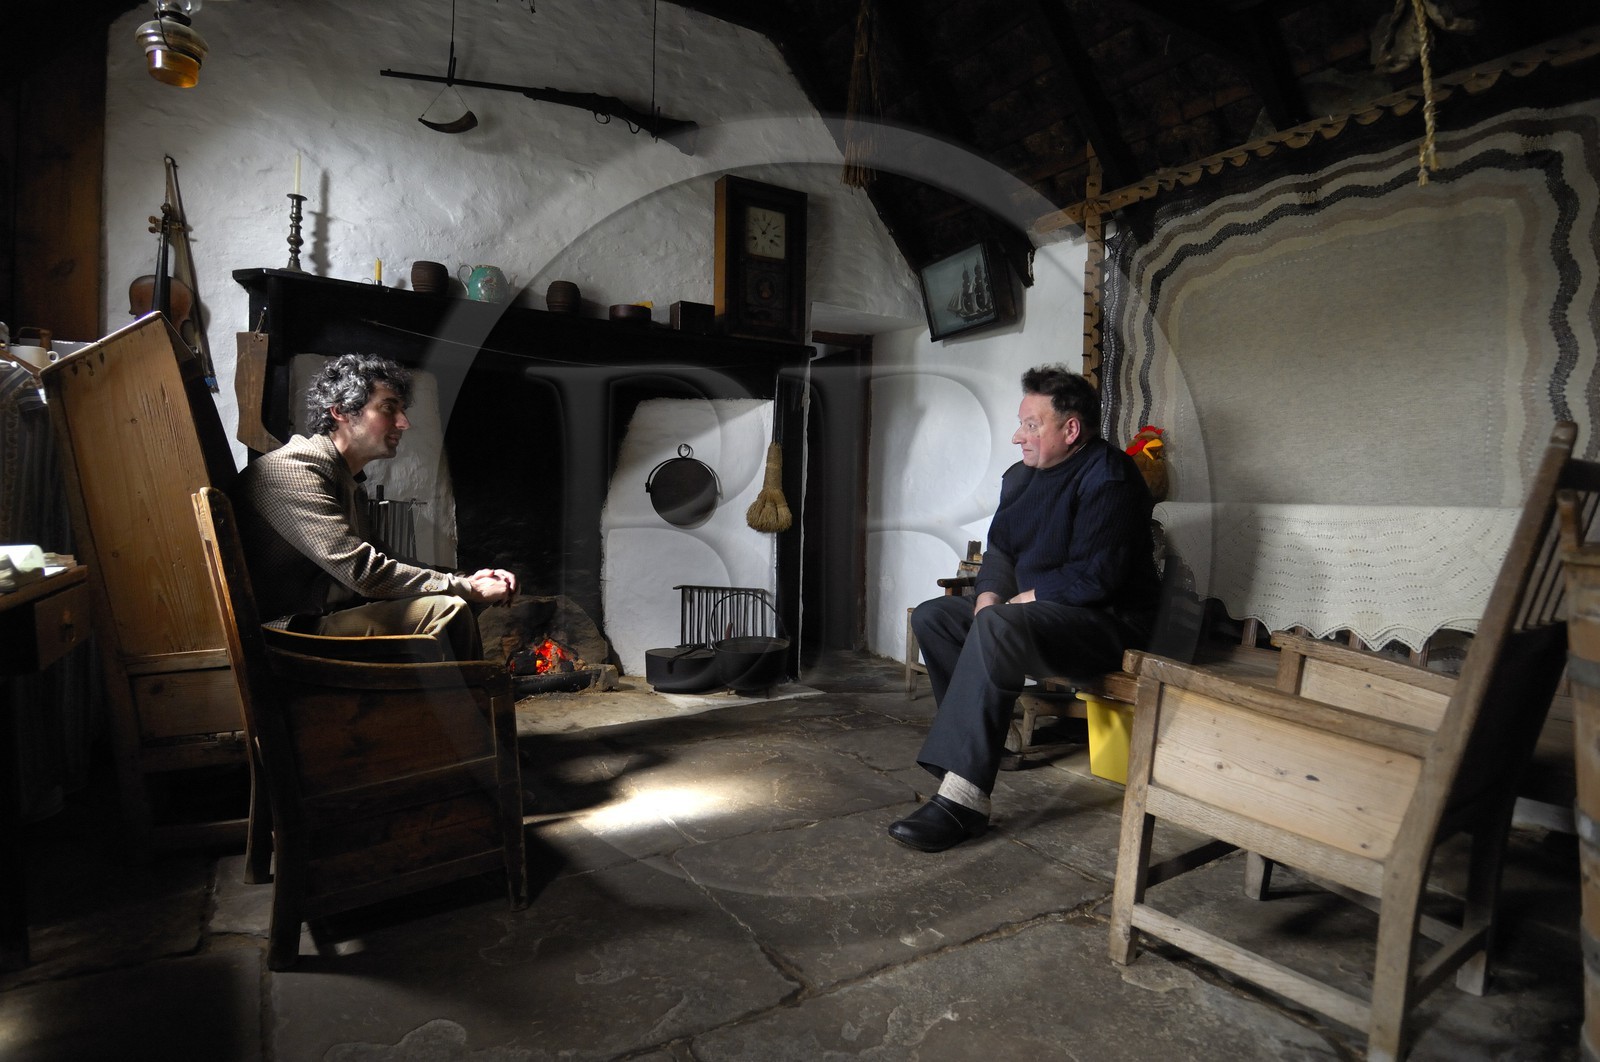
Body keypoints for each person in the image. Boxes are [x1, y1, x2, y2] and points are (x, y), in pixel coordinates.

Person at [889, 365, 1161, 852]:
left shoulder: (1111, 477)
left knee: (995, 625)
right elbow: (1001, 551)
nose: (1018, 436)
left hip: (1105, 625)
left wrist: (1021, 600)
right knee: (936, 617)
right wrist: (990, 594)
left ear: (1070, 429)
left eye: (1031, 425)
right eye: (1021, 424)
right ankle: (987, 745)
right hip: (1029, 617)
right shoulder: (1019, 478)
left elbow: (1099, 578)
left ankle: (964, 799)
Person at [234, 353, 516, 660]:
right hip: (284, 632)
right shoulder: (293, 470)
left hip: (320, 617)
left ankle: (448, 704)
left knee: (450, 600)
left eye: (402, 410)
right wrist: (466, 590)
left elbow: (384, 556)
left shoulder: (344, 477)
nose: (403, 422)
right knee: (447, 609)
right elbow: (363, 572)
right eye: (388, 408)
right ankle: (471, 706)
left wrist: (467, 578)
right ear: (341, 411)